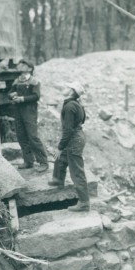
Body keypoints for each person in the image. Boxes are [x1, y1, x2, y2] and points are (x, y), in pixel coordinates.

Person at [48, 81, 90, 212]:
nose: (64, 88)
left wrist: (60, 147)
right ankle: (58, 180)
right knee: (60, 159)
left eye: (67, 87)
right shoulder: (75, 104)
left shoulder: (70, 106)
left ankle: (84, 203)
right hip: (76, 136)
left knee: (77, 172)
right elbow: (82, 120)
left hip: (74, 139)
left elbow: (68, 130)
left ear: (72, 91)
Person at [9, 59, 48, 172]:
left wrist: (22, 99)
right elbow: (9, 93)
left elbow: (36, 96)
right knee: (21, 136)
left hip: (29, 112)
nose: (20, 66)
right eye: (20, 64)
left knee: (33, 137)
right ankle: (28, 161)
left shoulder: (34, 81)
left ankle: (43, 162)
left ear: (30, 68)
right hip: (18, 111)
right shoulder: (16, 81)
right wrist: (12, 95)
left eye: (24, 64)